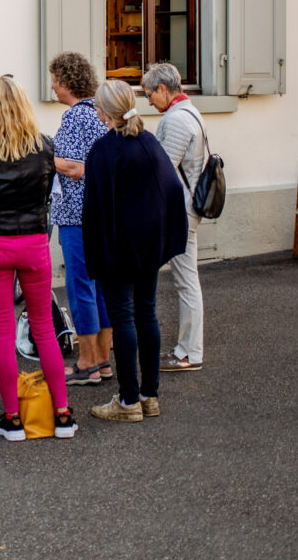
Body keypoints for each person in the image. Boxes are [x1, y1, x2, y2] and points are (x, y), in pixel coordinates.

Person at [0, 75, 77, 441]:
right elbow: (48, 186)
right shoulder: (44, 146)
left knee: (1, 328)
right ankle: (62, 415)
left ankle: (12, 419)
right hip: (33, 242)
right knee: (44, 325)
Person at [82, 80, 187, 423]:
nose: (95, 110)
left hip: (118, 246)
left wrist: (96, 254)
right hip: (149, 245)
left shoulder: (105, 150)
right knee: (146, 313)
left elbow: (96, 208)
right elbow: (171, 188)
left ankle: (128, 401)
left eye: (98, 106)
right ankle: (149, 395)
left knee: (124, 317)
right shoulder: (148, 141)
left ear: (105, 111)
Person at [48, 52, 114, 386]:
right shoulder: (98, 114)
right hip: (100, 213)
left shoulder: (75, 118)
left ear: (68, 82)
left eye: (56, 81)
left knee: (81, 286)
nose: (53, 87)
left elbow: (74, 167)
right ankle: (103, 359)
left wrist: (45, 155)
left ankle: (87, 362)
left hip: (76, 214)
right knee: (101, 286)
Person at [143, 62, 207, 373]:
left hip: (178, 211)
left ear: (164, 90)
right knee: (186, 280)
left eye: (149, 94)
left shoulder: (177, 119)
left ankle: (189, 352)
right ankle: (189, 350)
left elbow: (162, 169)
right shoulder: (191, 112)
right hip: (186, 208)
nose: (148, 100)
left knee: (185, 282)